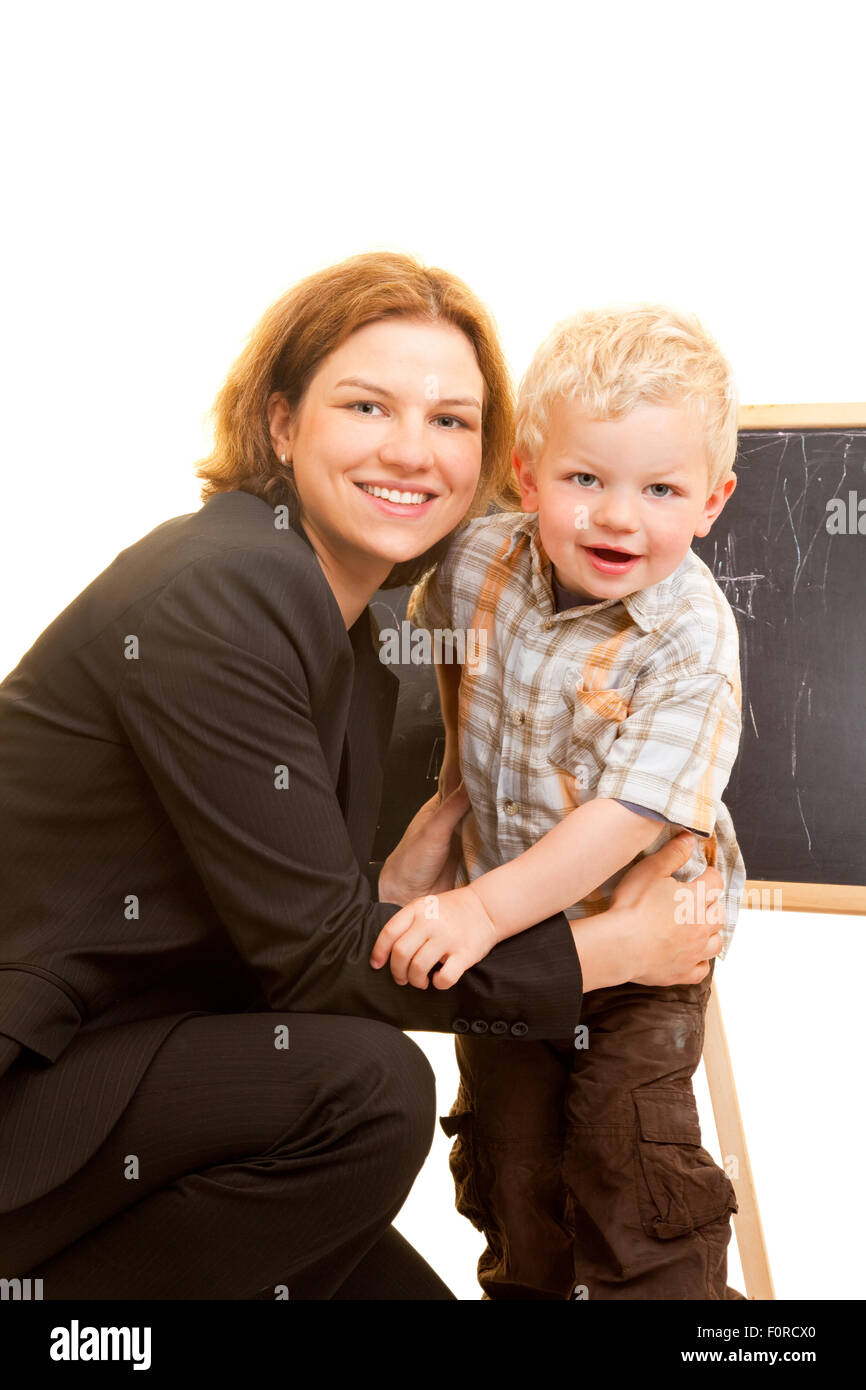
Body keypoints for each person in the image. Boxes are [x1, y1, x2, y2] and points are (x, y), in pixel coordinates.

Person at [0, 255, 724, 1300]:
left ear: (489, 457)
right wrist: (607, 948)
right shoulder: (222, 588)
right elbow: (310, 969)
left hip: (140, 1080)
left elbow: (282, 925)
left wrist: (379, 896)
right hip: (37, 1090)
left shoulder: (364, 628)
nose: (409, 449)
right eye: (366, 405)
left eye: (450, 420)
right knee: (368, 1090)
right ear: (281, 422)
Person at [384, 304, 746, 1298]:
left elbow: (626, 814)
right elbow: (425, 656)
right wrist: (442, 809)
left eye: (660, 489)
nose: (618, 516)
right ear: (526, 474)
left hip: (634, 952)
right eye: (584, 478)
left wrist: (479, 907)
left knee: (631, 1178)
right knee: (514, 1178)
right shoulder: (472, 565)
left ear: (711, 499)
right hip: (503, 955)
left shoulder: (689, 638)